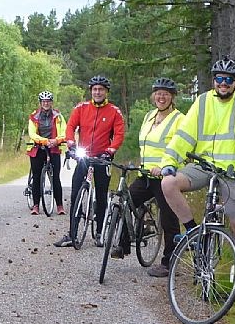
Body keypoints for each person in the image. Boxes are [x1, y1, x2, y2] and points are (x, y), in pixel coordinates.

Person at [160, 56, 235, 300]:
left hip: (233, 171)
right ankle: (192, 232)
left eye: (228, 80)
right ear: (213, 80)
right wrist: (169, 161)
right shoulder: (203, 101)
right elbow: (185, 135)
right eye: (219, 79)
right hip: (204, 166)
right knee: (168, 183)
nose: (223, 83)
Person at [111, 78, 183, 277]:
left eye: (166, 94)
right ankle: (122, 245)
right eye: (158, 93)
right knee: (126, 202)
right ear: (153, 96)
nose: (161, 97)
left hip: (166, 177)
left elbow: (181, 148)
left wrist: (165, 167)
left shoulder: (179, 119)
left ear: (172, 97)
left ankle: (169, 262)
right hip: (146, 175)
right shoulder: (149, 116)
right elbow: (146, 145)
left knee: (169, 219)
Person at [54, 75, 125, 247]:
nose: (97, 92)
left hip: (102, 158)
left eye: (101, 89)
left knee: (101, 195)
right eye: (94, 89)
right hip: (84, 156)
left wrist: (110, 150)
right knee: (76, 192)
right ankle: (72, 234)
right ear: (91, 91)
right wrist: (70, 143)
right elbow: (70, 126)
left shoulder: (114, 111)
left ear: (106, 91)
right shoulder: (81, 108)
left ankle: (99, 232)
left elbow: (119, 134)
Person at [26, 90, 67, 215]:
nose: (46, 103)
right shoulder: (34, 116)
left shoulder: (58, 116)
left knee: (56, 178)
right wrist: (44, 141)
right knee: (37, 177)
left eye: (48, 101)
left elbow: (64, 132)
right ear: (40, 103)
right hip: (38, 147)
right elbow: (32, 133)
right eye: (43, 101)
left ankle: (60, 206)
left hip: (54, 147)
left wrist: (57, 140)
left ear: (51, 102)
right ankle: (36, 205)